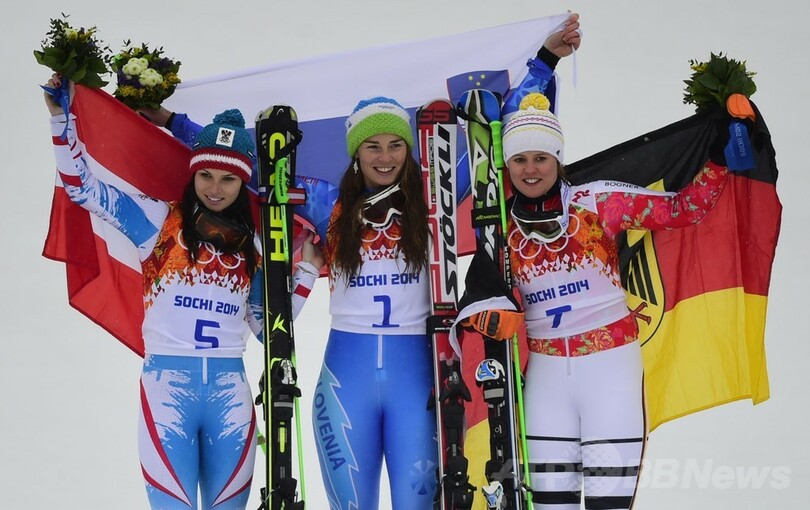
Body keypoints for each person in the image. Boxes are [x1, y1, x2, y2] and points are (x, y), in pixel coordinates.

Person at [309, 15, 582, 510]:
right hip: (345, 376)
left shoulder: (433, 197)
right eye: (373, 146)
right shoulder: (329, 205)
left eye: (396, 145)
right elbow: (237, 166)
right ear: (356, 153)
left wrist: (544, 61)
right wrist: (170, 122)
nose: (385, 157)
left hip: (416, 373)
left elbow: (492, 133)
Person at [44, 76, 322, 510]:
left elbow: (269, 330)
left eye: (228, 179)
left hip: (230, 397)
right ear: (193, 173)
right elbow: (83, 188)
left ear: (242, 181)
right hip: (167, 391)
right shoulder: (158, 221)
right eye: (205, 175)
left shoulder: (253, 247)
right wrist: (61, 119)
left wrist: (306, 272)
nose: (214, 188)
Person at [457, 91, 734, 509]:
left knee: (608, 504)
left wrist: (720, 155)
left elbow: (682, 210)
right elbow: (480, 288)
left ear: (557, 159)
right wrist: (488, 312)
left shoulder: (598, 202)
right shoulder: (500, 227)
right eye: (520, 160)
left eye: (541, 158)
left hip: (610, 372)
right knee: (551, 504)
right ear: (508, 165)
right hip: (547, 379)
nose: (530, 169)